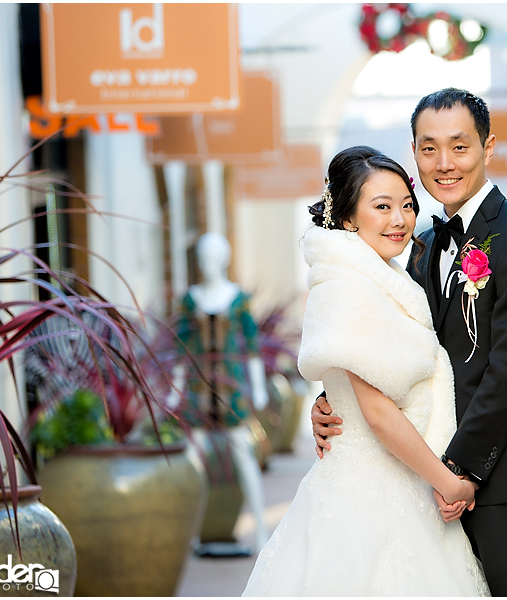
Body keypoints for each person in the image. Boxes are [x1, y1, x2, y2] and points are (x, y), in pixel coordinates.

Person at [312, 88, 507, 596]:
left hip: (504, 473)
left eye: (459, 146)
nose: (444, 163)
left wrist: (459, 470)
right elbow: (396, 346)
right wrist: (332, 400)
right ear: (414, 152)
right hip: (431, 477)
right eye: (429, 148)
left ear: (488, 147)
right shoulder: (420, 245)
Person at [242, 146, 489, 596]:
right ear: (348, 219)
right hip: (369, 492)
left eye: (406, 205)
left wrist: (328, 401)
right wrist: (449, 483)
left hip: (403, 481)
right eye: (382, 207)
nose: (400, 218)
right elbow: (376, 412)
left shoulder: (386, 277)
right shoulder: (347, 286)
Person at [171, 231, 269, 553]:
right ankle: (189, 535)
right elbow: (181, 348)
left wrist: (258, 389)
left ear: (225, 258)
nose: (209, 263)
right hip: (198, 390)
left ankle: (260, 532)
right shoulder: (189, 300)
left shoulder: (239, 299)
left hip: (231, 389)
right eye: (204, 257)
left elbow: (252, 347)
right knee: (191, 463)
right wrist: (174, 391)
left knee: (244, 458)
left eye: (215, 256)